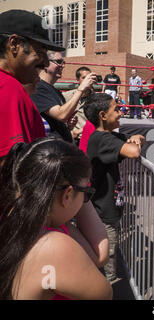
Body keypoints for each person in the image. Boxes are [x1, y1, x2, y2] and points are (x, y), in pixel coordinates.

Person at [0, 138, 112, 300]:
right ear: (67, 195)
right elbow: (104, 294)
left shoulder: (14, 218)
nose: (85, 201)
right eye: (87, 194)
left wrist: (77, 189)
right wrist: (79, 190)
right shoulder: (54, 245)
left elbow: (99, 255)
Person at [84, 93, 145, 282]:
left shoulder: (108, 136)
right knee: (107, 267)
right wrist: (133, 142)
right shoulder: (102, 139)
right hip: (103, 213)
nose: (120, 113)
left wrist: (134, 138)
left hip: (107, 209)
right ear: (103, 115)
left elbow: (138, 137)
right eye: (116, 109)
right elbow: (134, 151)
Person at [0, 9, 65, 160]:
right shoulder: (8, 87)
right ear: (14, 44)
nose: (46, 63)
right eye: (40, 52)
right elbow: (12, 165)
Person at [30, 51, 97, 143]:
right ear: (45, 63)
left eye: (63, 62)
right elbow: (61, 115)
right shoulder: (38, 87)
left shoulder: (55, 91)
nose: (63, 66)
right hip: (52, 148)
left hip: (63, 144)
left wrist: (67, 125)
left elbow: (60, 118)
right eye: (59, 62)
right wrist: (81, 89)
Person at [63, 66, 96, 145]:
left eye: (89, 77)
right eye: (84, 78)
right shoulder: (67, 96)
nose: (87, 80)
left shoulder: (97, 99)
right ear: (77, 80)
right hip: (72, 139)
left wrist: (80, 131)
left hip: (90, 138)